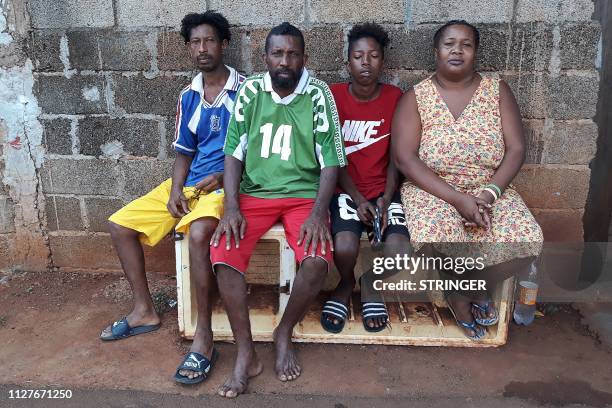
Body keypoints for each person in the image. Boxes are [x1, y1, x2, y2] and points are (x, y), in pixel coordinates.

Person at [101, 11, 245, 383]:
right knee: (120, 225)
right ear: (188, 48)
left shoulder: (246, 92)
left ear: (224, 44)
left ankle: (203, 336)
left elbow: (255, 151)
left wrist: (222, 178)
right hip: (190, 183)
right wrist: (176, 190)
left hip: (226, 187)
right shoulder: (188, 95)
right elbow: (183, 151)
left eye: (210, 41)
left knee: (198, 237)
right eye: (195, 42)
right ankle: (144, 310)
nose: (203, 48)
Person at [210, 22, 346, 398]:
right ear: (265, 57)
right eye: (277, 53)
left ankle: (284, 332)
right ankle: (246, 354)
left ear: (304, 58)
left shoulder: (318, 93)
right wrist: (232, 205)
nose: (285, 61)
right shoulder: (252, 90)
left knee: (318, 260)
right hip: (254, 194)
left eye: (293, 54)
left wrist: (320, 212)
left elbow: (331, 160)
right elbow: (233, 150)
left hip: (304, 196)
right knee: (223, 254)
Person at [392, 20, 543, 340]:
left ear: (475, 51)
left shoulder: (497, 90)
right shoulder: (416, 97)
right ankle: (462, 295)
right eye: (449, 44)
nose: (457, 50)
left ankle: (468, 289)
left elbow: (516, 149)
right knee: (434, 234)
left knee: (528, 238)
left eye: (466, 44)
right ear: (436, 51)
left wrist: (488, 194)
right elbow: (405, 159)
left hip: (489, 186)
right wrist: (458, 199)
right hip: (433, 189)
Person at [322, 23, 410, 334]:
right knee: (345, 246)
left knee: (400, 251)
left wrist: (386, 197)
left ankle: (371, 283)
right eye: (358, 56)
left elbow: (396, 157)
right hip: (346, 191)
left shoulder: (395, 97)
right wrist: (358, 199)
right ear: (348, 62)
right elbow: (333, 156)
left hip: (383, 190)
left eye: (373, 56)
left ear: (382, 62)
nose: (365, 62)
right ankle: (346, 284)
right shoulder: (331, 97)